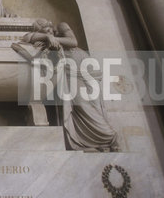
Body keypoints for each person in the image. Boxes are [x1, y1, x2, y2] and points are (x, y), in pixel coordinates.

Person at [18, 18, 119, 152]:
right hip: (71, 73)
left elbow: (73, 41)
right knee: (82, 106)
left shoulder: (62, 26)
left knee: (95, 107)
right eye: (44, 30)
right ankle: (106, 138)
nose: (48, 30)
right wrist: (47, 37)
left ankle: (104, 142)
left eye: (48, 28)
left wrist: (53, 39)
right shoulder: (46, 42)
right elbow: (27, 37)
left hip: (87, 70)